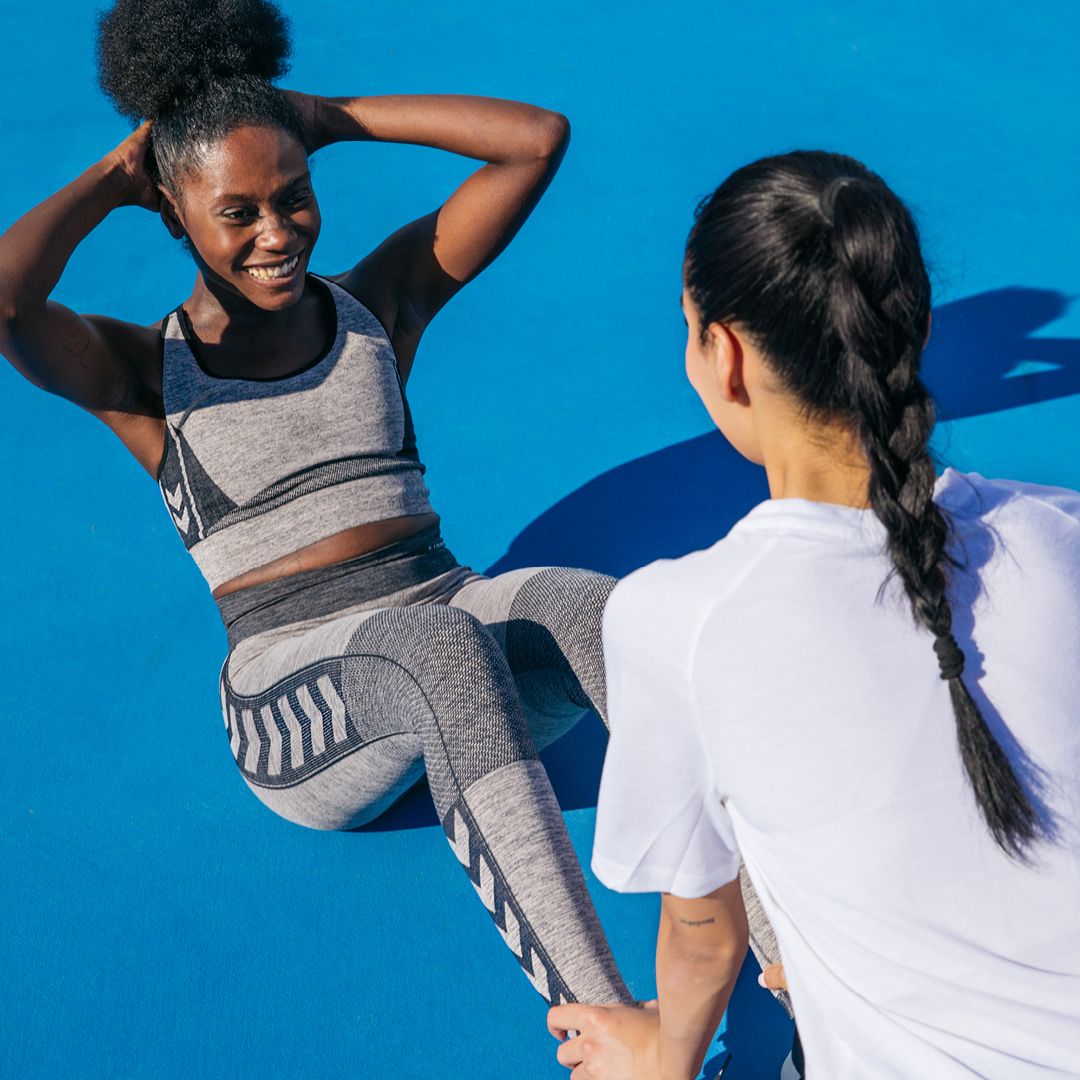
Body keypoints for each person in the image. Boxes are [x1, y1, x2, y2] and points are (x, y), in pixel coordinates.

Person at [0, 0, 635, 1013]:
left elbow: (534, 141)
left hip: (446, 618)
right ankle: (607, 1035)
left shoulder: (376, 307)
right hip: (293, 703)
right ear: (174, 213)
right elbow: (6, 300)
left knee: (602, 609)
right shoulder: (146, 376)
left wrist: (329, 115)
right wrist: (120, 174)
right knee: (436, 650)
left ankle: (799, 944)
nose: (277, 233)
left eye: (293, 196)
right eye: (237, 212)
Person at [547, 151, 1080, 1078]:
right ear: (913, 329)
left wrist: (662, 1056)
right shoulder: (1059, 529)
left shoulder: (678, 618)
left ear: (726, 356)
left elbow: (706, 937)